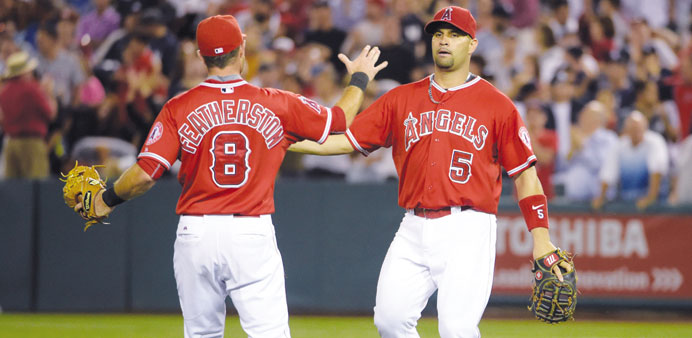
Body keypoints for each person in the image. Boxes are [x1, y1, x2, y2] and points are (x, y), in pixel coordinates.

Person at [74, 15, 387, 337]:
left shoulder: (178, 107)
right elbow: (340, 118)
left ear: (200, 55)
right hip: (250, 232)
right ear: (242, 49)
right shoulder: (277, 104)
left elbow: (143, 175)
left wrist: (106, 199)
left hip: (195, 234)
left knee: (202, 334)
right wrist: (360, 78)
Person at [289, 6, 569, 338]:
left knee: (457, 329)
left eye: (454, 35)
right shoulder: (401, 98)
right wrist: (278, 141)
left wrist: (541, 238)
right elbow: (341, 142)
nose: (444, 42)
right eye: (438, 34)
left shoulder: (498, 106)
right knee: (390, 322)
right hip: (414, 225)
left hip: (469, 225)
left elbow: (526, 175)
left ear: (472, 44)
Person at [592, 111, 669, 211]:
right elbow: (608, 174)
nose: (635, 132)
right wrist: (601, 197)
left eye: (638, 129)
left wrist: (650, 198)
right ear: (626, 130)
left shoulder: (655, 142)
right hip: (626, 201)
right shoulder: (619, 146)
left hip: (655, 205)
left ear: (645, 128)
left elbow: (657, 171)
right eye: (632, 129)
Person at [0, 50, 57, 179]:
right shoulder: (32, 89)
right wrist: (49, 94)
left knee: (13, 189)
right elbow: (50, 113)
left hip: (11, 144)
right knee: (37, 187)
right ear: (25, 72)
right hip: (32, 144)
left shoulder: (4, 92)